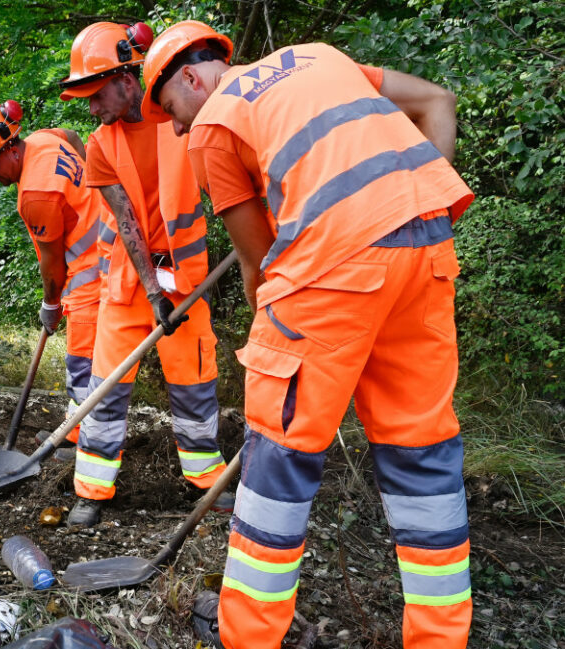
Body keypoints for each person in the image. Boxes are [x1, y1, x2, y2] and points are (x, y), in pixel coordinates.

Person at [141, 21, 475, 649]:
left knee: (279, 463)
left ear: (191, 77)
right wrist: (407, 208)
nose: (178, 127)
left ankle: (247, 638)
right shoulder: (318, 56)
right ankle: (439, 639)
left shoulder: (213, 127)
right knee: (422, 454)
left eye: (170, 111)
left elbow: (259, 267)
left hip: (329, 275)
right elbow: (439, 100)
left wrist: (272, 341)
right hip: (427, 254)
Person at [58, 22, 233, 527]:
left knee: (195, 385)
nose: (91, 108)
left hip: (190, 281)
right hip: (129, 284)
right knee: (105, 389)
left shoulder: (188, 117)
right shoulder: (99, 146)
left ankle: (208, 482)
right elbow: (127, 223)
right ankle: (92, 490)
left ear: (128, 80)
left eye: (95, 94)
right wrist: (153, 290)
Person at [0, 101, 103, 456]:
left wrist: (50, 305)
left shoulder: (35, 195)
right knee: (83, 362)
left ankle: (90, 443)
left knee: (84, 365)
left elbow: (52, 263)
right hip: (103, 251)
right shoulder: (44, 139)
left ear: (10, 148)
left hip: (95, 275)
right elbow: (72, 136)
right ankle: (75, 430)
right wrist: (90, 185)